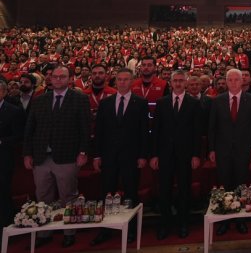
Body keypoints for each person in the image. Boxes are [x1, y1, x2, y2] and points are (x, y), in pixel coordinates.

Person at [22, 65, 91, 248]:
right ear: (50, 79)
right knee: (43, 196)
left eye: (63, 77)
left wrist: (83, 152)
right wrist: (27, 153)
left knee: (68, 196)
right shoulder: (38, 100)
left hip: (67, 156)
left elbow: (85, 129)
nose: (58, 79)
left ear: (70, 79)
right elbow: (29, 130)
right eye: (55, 76)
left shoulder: (80, 99)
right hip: (41, 157)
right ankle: (45, 232)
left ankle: (69, 232)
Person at [90, 68, 149, 246]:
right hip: (108, 156)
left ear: (132, 82)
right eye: (119, 79)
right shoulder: (106, 103)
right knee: (106, 193)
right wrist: (97, 155)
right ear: (115, 81)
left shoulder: (141, 103)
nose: (122, 82)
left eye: (126, 79)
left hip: (131, 156)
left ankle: (131, 229)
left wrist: (143, 155)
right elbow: (99, 131)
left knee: (131, 194)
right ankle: (105, 229)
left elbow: (144, 132)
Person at [150, 70, 202, 239]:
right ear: (171, 83)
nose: (178, 83)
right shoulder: (162, 102)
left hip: (185, 154)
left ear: (186, 83)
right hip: (165, 154)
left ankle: (183, 223)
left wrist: (196, 155)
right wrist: (155, 155)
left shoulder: (193, 103)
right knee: (164, 190)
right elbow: (156, 131)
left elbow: (196, 132)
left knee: (184, 189)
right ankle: (165, 224)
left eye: (181, 80)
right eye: (176, 81)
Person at [208, 69, 251, 236]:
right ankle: (225, 220)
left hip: (243, 150)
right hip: (222, 150)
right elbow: (212, 127)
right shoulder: (217, 100)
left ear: (242, 81)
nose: (232, 82)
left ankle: (240, 220)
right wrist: (211, 149)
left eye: (236, 79)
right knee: (225, 185)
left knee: (240, 185)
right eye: (229, 80)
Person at [0, 79, 24, 226]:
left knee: (3, 191)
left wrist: (2, 141)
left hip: (3, 157)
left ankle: (5, 223)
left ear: (4, 92)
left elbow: (19, 135)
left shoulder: (13, 111)